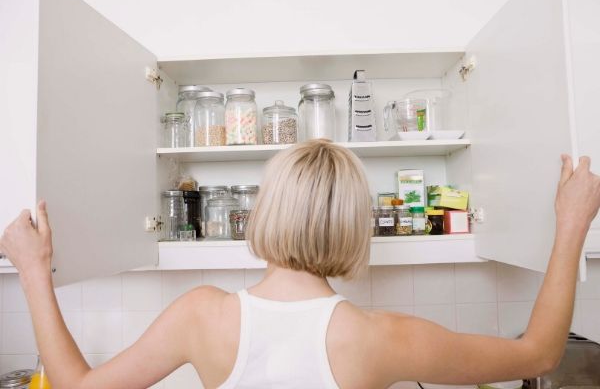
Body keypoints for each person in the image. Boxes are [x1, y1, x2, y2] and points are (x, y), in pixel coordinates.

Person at [1, 139, 599, 389]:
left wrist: (33, 268)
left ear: (266, 213)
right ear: (350, 226)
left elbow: (77, 388)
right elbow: (539, 354)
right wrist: (572, 223)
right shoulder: (379, 337)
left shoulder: (201, 316)